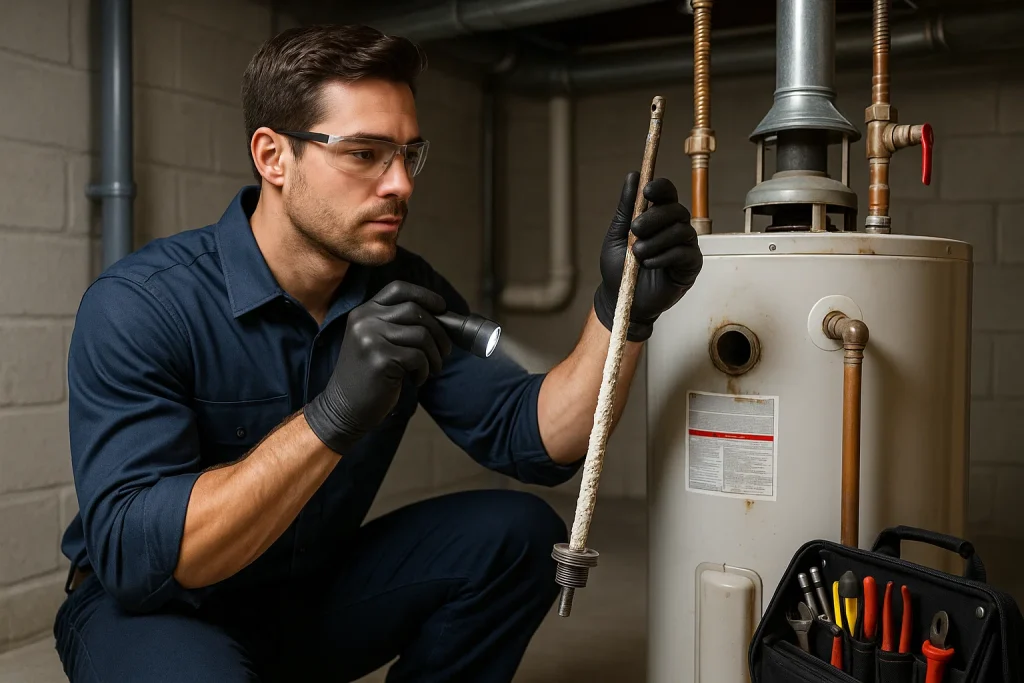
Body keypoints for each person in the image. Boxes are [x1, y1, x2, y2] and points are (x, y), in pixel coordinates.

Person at [53, 23, 702, 683]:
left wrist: (620, 312)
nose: (400, 184)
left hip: (299, 597)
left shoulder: (403, 291)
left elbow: (540, 440)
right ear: (274, 157)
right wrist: (332, 414)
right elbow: (139, 556)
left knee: (517, 536)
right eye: (365, 153)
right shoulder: (142, 302)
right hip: (153, 609)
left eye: (407, 154)